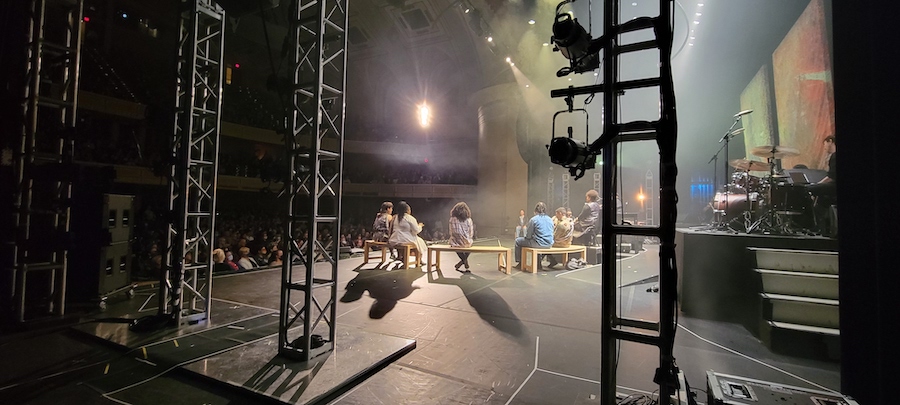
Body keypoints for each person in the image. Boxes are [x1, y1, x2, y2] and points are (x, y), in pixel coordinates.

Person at [807, 135, 837, 235]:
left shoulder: (835, 156)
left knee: (807, 189)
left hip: (834, 186)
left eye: (825, 145)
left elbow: (831, 177)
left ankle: (812, 224)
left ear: (830, 141)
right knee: (822, 199)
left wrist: (817, 185)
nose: (825, 149)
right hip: (833, 186)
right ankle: (823, 227)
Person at [513, 202, 554, 269]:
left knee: (518, 241)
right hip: (549, 244)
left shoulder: (534, 219)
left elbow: (528, 236)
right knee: (538, 239)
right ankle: (539, 263)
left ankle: (520, 263)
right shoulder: (550, 219)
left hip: (538, 243)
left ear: (535, 211)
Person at [388, 200, 427, 266]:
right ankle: (419, 259)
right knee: (420, 241)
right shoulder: (410, 218)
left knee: (416, 241)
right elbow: (416, 230)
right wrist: (420, 226)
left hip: (394, 239)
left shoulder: (395, 217)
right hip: (404, 239)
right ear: (407, 210)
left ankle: (403, 256)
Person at [448, 202, 475, 272]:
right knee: (470, 245)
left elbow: (452, 231)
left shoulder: (452, 219)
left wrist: (457, 238)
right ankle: (464, 260)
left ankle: (463, 260)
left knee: (455, 245)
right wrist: (467, 238)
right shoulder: (469, 220)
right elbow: (471, 233)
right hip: (466, 242)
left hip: (456, 241)